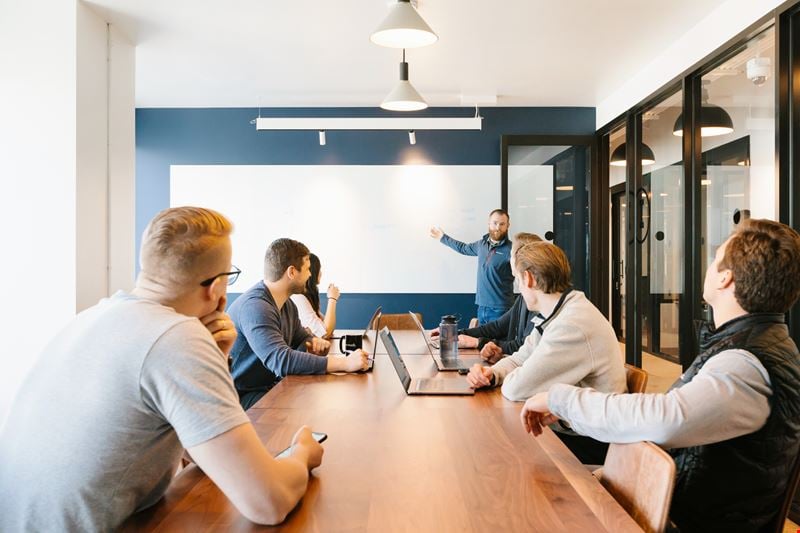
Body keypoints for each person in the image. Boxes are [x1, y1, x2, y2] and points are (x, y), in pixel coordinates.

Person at [0, 207, 324, 531]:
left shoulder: (92, 317)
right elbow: (269, 501)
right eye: (229, 276)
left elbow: (206, 452)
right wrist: (302, 454)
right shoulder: (177, 338)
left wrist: (215, 357)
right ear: (215, 289)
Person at [519, 218, 800, 533]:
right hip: (677, 507)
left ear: (725, 278)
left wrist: (562, 400)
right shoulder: (748, 345)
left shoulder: (747, 362)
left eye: (714, 259)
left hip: (684, 520)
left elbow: (666, 418)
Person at [466, 240, 626, 463]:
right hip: (571, 426)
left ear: (529, 278)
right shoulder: (558, 312)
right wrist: (491, 374)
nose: (518, 289)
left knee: (492, 449)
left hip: (592, 439)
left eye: (518, 281)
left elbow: (516, 388)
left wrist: (504, 376)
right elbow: (522, 356)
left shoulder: (572, 324)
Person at [229, 238, 368, 409]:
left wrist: (313, 343)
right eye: (308, 269)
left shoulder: (287, 305)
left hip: (266, 386)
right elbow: (282, 361)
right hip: (238, 398)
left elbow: (301, 339)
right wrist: (344, 363)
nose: (311, 275)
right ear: (292, 272)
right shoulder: (256, 307)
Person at [432, 232, 542, 364]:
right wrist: (454, 334)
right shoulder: (523, 299)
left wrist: (477, 342)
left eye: (511, 254)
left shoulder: (539, 304)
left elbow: (524, 347)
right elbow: (497, 327)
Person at [430, 209, 514, 324]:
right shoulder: (481, 245)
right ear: (489, 223)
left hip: (501, 309)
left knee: (496, 342)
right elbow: (463, 248)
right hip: (481, 307)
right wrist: (443, 238)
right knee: (481, 342)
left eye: (502, 224)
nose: (498, 227)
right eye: (495, 223)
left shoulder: (512, 250)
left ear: (508, 226)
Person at [290, 253, 339, 339]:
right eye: (319, 269)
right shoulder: (298, 297)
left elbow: (328, 329)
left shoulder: (308, 296)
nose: (320, 273)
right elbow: (325, 333)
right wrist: (332, 299)